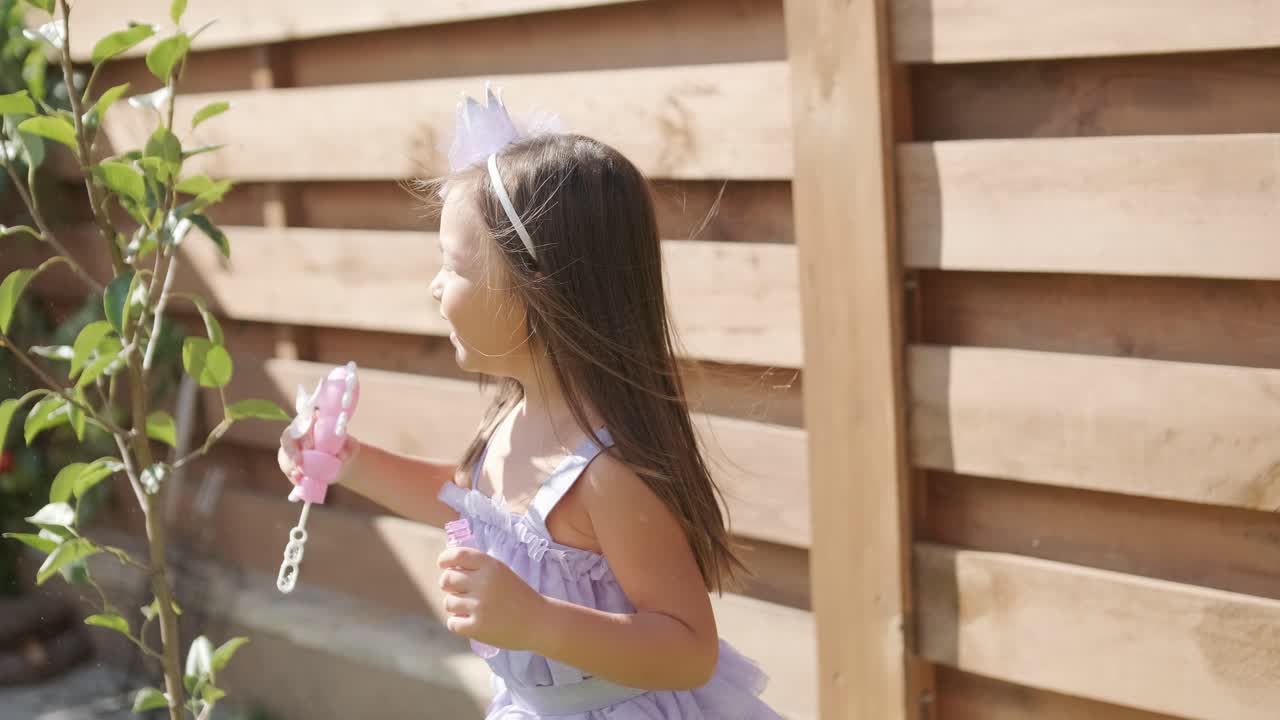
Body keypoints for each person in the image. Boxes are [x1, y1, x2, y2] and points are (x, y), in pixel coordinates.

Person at [278, 84, 782, 719]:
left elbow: (688, 650)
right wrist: (347, 461)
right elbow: (466, 503)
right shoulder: (515, 419)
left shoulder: (607, 472)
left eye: (454, 265)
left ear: (538, 289)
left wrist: (539, 621)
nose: (434, 287)